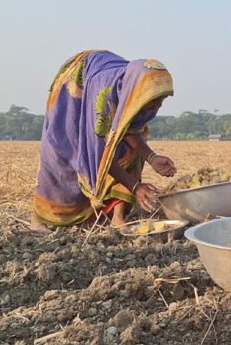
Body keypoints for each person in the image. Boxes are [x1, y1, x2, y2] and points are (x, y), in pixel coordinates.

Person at [31, 50, 177, 232]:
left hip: (102, 76)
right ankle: (41, 217)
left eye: (162, 99)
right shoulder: (104, 97)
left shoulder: (143, 94)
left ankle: (118, 217)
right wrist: (135, 187)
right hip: (77, 85)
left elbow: (130, 131)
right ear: (136, 89)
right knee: (63, 151)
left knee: (129, 153)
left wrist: (152, 157)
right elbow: (99, 155)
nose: (157, 105)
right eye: (154, 99)